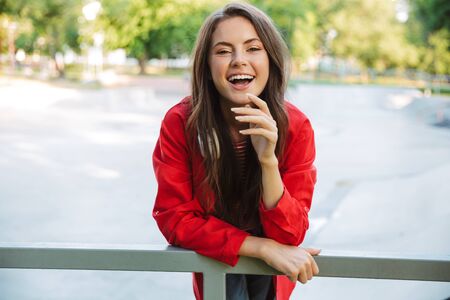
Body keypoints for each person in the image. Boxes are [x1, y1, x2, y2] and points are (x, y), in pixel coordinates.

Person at [152, 2, 320, 299]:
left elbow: (291, 235)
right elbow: (174, 218)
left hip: (271, 282)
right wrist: (261, 247)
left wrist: (268, 161)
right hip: (218, 270)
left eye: (253, 48)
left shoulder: (296, 126)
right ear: (206, 64)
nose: (239, 60)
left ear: (271, 59)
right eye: (223, 51)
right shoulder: (180, 122)